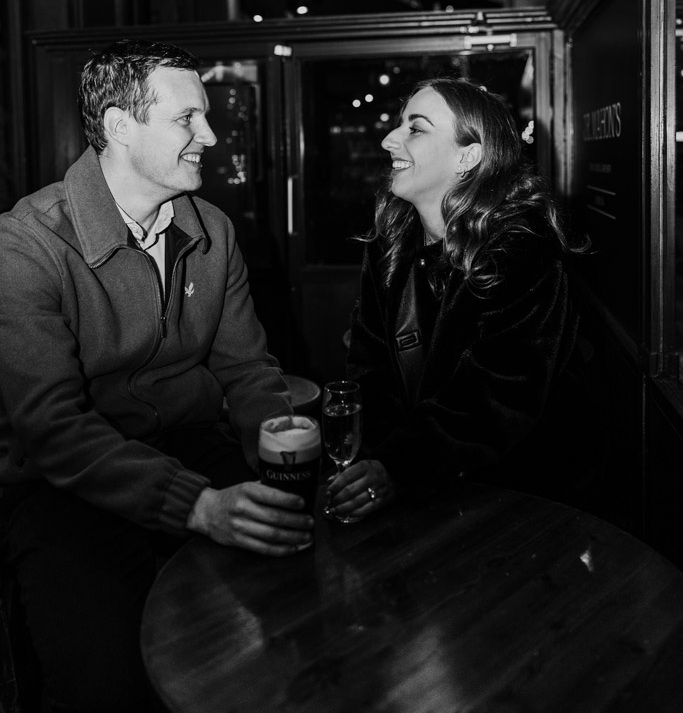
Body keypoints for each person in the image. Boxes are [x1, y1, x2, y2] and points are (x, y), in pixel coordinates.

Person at [0, 39, 313, 713]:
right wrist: (200, 507)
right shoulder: (24, 245)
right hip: (64, 484)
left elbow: (245, 367)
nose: (208, 134)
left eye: (203, 116)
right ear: (118, 126)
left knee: (303, 599)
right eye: (186, 120)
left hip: (192, 446)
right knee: (110, 680)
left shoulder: (214, 229)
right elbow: (52, 430)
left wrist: (283, 459)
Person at [325, 74, 597, 522]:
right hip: (419, 487)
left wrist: (399, 465)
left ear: (467, 156)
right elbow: (368, 363)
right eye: (399, 124)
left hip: (523, 497)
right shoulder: (389, 243)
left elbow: (498, 394)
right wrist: (376, 460)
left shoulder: (522, 250)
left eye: (416, 127)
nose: (391, 138)